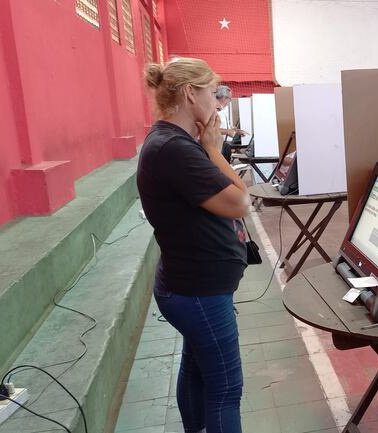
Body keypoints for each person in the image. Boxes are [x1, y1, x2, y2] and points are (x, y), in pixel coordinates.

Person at [138, 57, 251, 433]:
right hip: (199, 291)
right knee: (226, 389)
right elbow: (240, 203)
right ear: (190, 93)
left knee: (198, 368)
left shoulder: (175, 142)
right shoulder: (176, 149)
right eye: (213, 92)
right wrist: (215, 150)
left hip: (191, 285)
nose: (218, 103)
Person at [215, 85, 248, 163]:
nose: (229, 101)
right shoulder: (214, 110)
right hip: (216, 145)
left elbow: (226, 127)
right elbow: (212, 129)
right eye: (229, 99)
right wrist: (227, 131)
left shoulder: (223, 110)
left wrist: (236, 131)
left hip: (223, 145)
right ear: (224, 98)